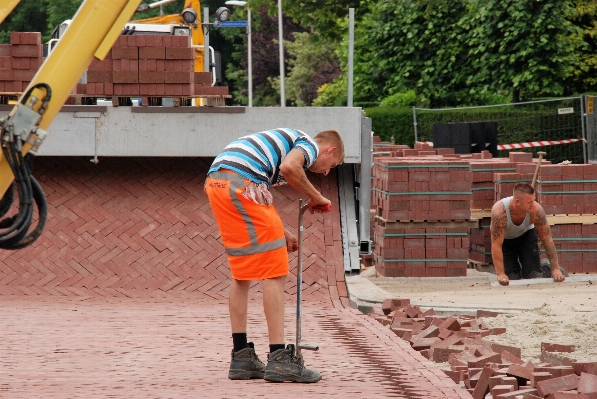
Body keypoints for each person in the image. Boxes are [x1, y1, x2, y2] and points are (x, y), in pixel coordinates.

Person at [204, 128, 344, 383]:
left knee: (242, 274)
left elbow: (258, 195)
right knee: (274, 273)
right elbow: (291, 168)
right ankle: (279, 358)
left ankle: (242, 357)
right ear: (329, 150)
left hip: (218, 184)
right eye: (330, 165)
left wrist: (282, 231)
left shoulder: (277, 151)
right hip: (240, 182)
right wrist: (317, 197)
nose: (325, 172)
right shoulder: (308, 144)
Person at [490, 182, 567, 286]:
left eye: (534, 200)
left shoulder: (536, 211)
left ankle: (546, 267)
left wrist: (555, 268)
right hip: (506, 242)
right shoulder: (500, 213)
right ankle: (518, 270)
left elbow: (547, 239)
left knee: (533, 276)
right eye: (529, 202)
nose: (533, 204)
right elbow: (496, 244)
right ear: (517, 201)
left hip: (526, 238)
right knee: (512, 278)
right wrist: (500, 273)